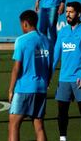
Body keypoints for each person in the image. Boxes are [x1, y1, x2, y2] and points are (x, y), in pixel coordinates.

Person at [8, 10, 52, 141]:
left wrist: (11, 89)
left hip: (24, 88)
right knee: (39, 125)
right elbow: (49, 66)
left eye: (21, 24)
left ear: (25, 24)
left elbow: (16, 68)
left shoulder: (21, 41)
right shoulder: (47, 40)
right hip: (41, 87)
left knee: (14, 124)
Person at [52, 2, 81, 141]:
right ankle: (63, 138)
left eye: (71, 12)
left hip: (79, 79)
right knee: (62, 112)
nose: (68, 14)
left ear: (79, 14)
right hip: (64, 79)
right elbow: (55, 56)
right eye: (67, 12)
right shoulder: (63, 31)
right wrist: (49, 74)